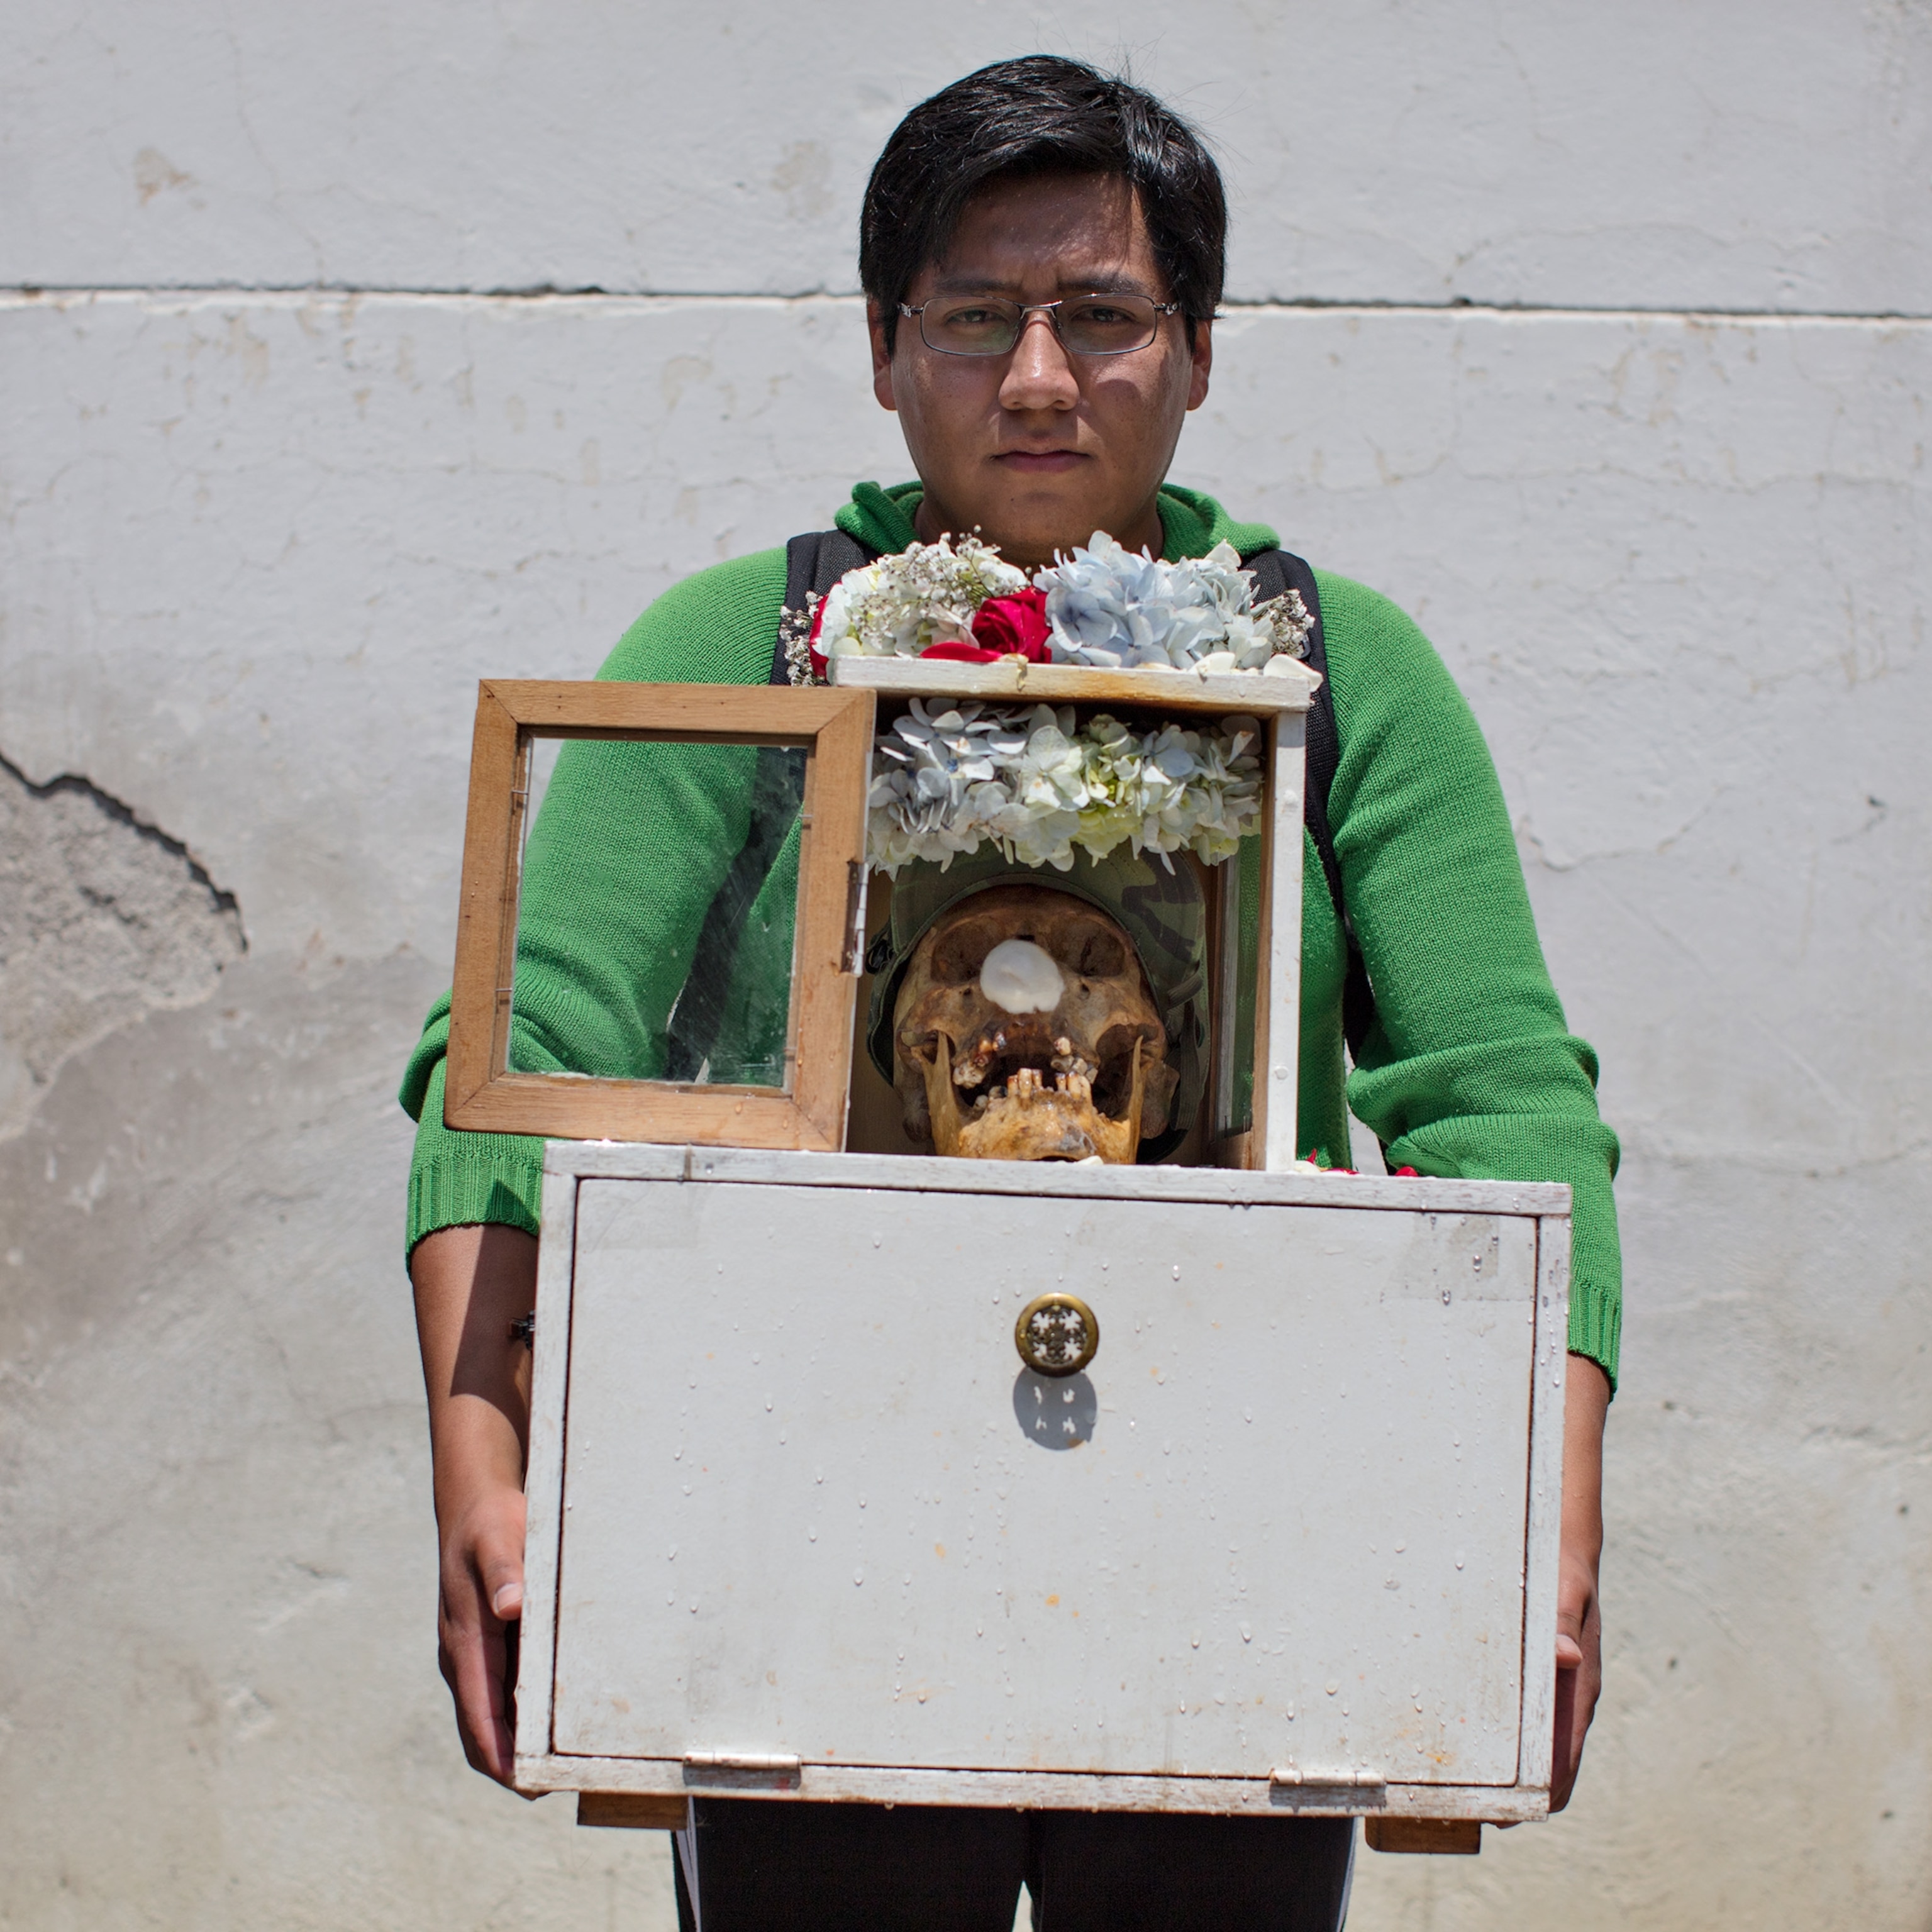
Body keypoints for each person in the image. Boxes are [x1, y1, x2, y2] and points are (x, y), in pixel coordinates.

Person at [402, 56, 1618, 1931]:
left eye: (1105, 317)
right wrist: (480, 1466)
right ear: (888, 349)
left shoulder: (1339, 668)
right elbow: (521, 1050)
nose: (1039, 379)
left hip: (1244, 1534)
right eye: (978, 318)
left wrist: (1546, 1518)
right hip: (796, 1521)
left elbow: (1505, 1100)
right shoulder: (748, 646)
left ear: (1199, 351)